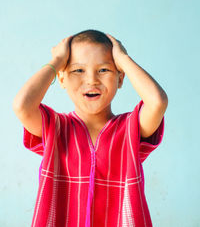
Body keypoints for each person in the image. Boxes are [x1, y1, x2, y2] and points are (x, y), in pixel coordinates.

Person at [12, 29, 168, 227]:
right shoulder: (55, 128)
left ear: (120, 78)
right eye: (78, 70)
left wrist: (123, 59)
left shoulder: (131, 128)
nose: (92, 80)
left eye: (104, 70)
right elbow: (22, 105)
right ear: (61, 78)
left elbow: (157, 102)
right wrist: (57, 61)